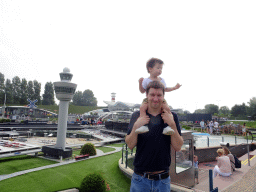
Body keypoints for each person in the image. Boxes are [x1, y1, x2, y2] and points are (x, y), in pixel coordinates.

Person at [125, 81, 183, 192]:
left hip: (163, 181)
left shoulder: (172, 116)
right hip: (140, 180)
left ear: (163, 96)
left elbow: (178, 146)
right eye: (152, 95)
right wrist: (137, 126)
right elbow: (130, 144)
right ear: (147, 95)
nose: (155, 99)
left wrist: (172, 125)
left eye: (159, 95)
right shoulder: (137, 115)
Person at [136, 58, 182, 135]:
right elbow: (142, 91)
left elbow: (165, 89)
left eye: (161, 68)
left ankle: (166, 126)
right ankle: (144, 125)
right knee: (142, 108)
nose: (160, 70)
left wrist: (174, 88)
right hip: (148, 100)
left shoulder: (162, 80)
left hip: (161, 100)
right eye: (158, 68)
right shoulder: (146, 80)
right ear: (150, 69)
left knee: (167, 109)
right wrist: (140, 83)